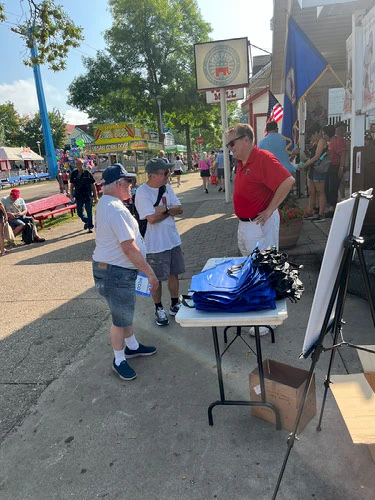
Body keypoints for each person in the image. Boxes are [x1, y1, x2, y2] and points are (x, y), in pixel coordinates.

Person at [92, 163, 159, 381]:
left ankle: (131, 346)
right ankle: (119, 359)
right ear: (119, 184)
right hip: (116, 272)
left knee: (124, 312)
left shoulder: (107, 203)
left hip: (111, 269)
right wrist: (149, 273)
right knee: (120, 318)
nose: (131, 185)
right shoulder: (115, 209)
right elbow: (129, 247)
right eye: (128, 182)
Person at [226, 123, 294, 336]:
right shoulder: (241, 162)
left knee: (264, 269)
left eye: (232, 143)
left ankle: (269, 319)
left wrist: (270, 210)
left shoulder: (262, 158)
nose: (230, 147)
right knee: (251, 269)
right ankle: (259, 309)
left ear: (246, 139)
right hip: (245, 224)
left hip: (259, 224)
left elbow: (287, 180)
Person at [135, 158, 185, 327]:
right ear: (152, 175)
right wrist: (168, 210)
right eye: (165, 173)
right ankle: (158, 308)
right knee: (155, 279)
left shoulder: (167, 188)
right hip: (154, 244)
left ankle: (174, 303)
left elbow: (180, 208)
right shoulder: (142, 193)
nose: (168, 176)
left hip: (172, 239)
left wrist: (164, 209)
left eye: (168, 172)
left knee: (174, 273)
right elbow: (152, 219)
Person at [298, 123, 328, 221]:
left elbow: (317, 156)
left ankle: (321, 213)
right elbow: (312, 156)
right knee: (311, 192)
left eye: (312, 135)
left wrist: (305, 165)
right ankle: (310, 211)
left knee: (320, 192)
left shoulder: (321, 141)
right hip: (312, 169)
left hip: (319, 169)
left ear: (316, 133)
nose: (311, 138)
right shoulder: (315, 143)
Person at [322, 124, 346, 218]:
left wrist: (341, 168)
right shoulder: (329, 142)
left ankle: (333, 209)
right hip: (329, 166)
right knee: (327, 188)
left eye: (325, 134)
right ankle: (331, 205)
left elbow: (343, 155)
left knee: (333, 188)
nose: (324, 136)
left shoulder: (338, 141)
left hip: (336, 166)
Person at [70, 158, 98, 233]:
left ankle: (90, 227)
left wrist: (96, 196)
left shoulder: (87, 173)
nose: (78, 165)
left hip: (88, 195)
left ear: (83, 164)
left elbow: (93, 185)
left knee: (89, 211)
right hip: (79, 196)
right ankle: (87, 221)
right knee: (79, 212)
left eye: (80, 164)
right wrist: (71, 195)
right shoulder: (73, 174)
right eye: (77, 164)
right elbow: (72, 185)